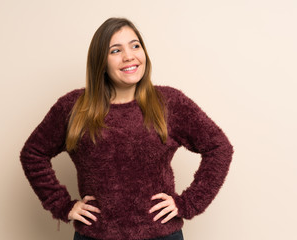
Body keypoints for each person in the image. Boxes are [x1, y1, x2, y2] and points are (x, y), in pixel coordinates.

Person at [20, 17, 233, 240]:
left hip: (161, 236)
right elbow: (33, 153)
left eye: (135, 45)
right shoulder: (73, 107)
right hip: (95, 236)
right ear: (100, 62)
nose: (129, 56)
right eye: (115, 50)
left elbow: (219, 147)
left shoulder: (169, 102)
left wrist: (189, 203)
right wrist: (62, 205)